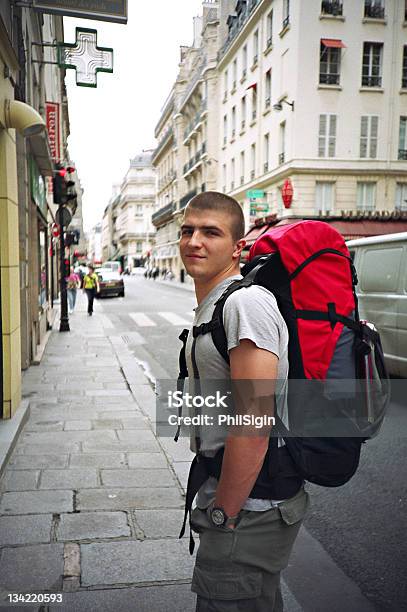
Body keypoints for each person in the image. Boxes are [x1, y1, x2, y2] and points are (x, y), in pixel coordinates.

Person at [178, 192, 309, 612]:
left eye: (210, 232)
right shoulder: (215, 303)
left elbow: (254, 418)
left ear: (237, 247)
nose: (193, 241)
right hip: (239, 494)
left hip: (251, 503)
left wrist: (224, 513)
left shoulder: (244, 304)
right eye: (187, 230)